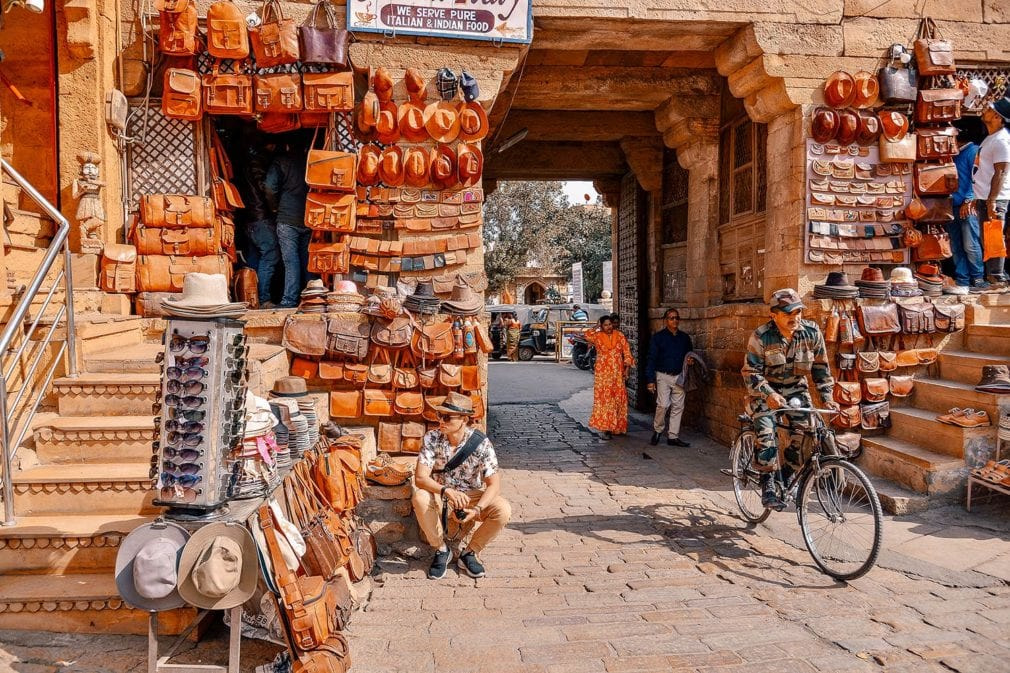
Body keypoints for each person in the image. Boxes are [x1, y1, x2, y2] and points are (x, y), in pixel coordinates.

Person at [741, 289, 837, 508]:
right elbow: (751, 373)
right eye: (788, 313)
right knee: (766, 435)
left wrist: (827, 397)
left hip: (796, 392)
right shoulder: (761, 336)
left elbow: (821, 369)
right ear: (774, 315)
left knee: (807, 434)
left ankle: (784, 478)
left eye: (798, 312)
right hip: (765, 393)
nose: (795, 317)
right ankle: (768, 485)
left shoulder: (811, 333)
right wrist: (769, 394)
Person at [411, 392, 510, 580]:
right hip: (441, 495)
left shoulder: (481, 444)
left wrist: (478, 509)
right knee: (420, 497)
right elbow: (421, 478)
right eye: (440, 415)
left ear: (464, 419)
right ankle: (441, 550)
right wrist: (446, 491)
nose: (441, 421)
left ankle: (470, 553)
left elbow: (494, 485)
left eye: (447, 417)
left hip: (470, 498)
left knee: (502, 509)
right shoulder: (432, 438)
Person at [968, 96, 1010, 288]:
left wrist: (992, 200)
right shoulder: (991, 138)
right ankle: (993, 277)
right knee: (988, 236)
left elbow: (1001, 170)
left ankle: (997, 276)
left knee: (993, 235)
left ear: (998, 117)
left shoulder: (1002, 140)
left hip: (994, 198)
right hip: (984, 197)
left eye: (990, 109)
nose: (986, 110)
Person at [266, 143, 311, 308]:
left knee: (291, 262)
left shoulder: (280, 162)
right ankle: (311, 299)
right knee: (307, 261)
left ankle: (289, 301)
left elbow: (269, 188)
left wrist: (274, 207)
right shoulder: (310, 161)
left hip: (286, 218)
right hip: (308, 217)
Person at [238, 140, 279, 306]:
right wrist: (275, 208)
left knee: (254, 260)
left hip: (249, 218)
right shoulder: (259, 163)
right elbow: (266, 188)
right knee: (270, 256)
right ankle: (263, 299)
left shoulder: (246, 164)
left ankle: (250, 298)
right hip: (260, 216)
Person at [645, 308, 694, 447]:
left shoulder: (684, 338)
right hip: (663, 375)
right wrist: (650, 380)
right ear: (665, 320)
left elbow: (689, 353)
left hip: (679, 376)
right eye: (671, 318)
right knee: (663, 405)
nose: (675, 321)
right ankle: (658, 430)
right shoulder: (658, 338)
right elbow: (651, 358)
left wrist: (690, 360)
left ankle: (673, 436)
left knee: (678, 406)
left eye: (677, 318)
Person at [582, 315, 634, 439]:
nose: (608, 327)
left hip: (617, 373)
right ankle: (606, 429)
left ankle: (618, 427)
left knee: (618, 398)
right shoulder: (598, 336)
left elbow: (627, 352)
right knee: (605, 400)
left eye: (610, 324)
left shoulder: (619, 335)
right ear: (601, 326)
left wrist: (627, 370)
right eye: (605, 325)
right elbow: (587, 335)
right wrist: (596, 326)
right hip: (602, 374)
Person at [950, 133, 987, 292]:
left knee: (970, 244)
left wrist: (969, 199)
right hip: (951, 206)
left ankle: (978, 278)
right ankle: (962, 280)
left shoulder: (973, 151)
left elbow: (979, 177)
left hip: (967, 205)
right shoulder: (952, 154)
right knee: (956, 245)